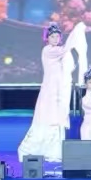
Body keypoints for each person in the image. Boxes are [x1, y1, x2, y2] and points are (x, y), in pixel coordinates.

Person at [17, 22, 86, 162]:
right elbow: (66, 49)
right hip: (50, 91)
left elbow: (69, 65)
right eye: (52, 36)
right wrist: (76, 32)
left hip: (60, 90)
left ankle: (54, 152)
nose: (55, 39)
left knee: (58, 118)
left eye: (57, 36)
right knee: (49, 118)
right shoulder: (48, 50)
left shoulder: (61, 51)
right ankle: (32, 149)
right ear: (47, 38)